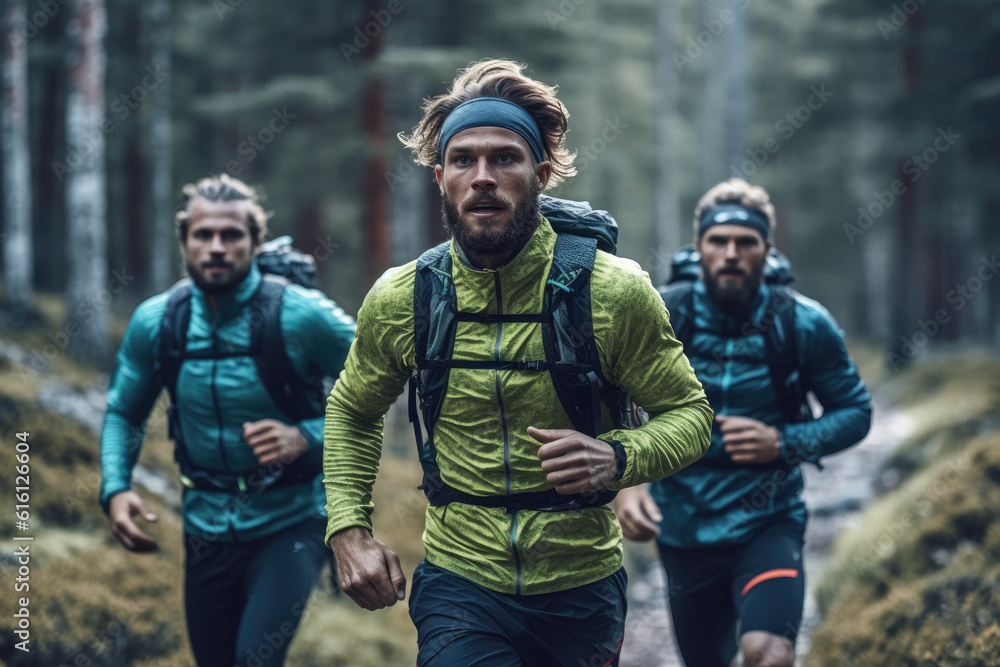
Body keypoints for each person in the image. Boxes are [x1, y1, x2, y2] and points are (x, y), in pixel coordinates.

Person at [321, 59, 714, 666]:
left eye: (505, 158)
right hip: (460, 581)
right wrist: (348, 528)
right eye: (463, 160)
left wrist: (616, 456)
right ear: (440, 177)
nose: (482, 177)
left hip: (582, 585)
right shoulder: (406, 297)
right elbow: (353, 410)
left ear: (541, 173)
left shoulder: (611, 292)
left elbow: (690, 415)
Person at [99, 175, 356, 667]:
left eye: (231, 234)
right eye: (203, 234)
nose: (216, 246)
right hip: (204, 526)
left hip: (292, 519)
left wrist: (305, 437)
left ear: (255, 243)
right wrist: (115, 487)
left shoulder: (302, 316)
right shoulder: (158, 321)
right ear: (184, 242)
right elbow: (124, 411)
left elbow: (377, 394)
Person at [615, 178, 873, 667]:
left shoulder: (803, 323)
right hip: (683, 528)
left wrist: (783, 441)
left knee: (769, 653)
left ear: (767, 250)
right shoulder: (661, 314)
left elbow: (856, 412)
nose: (731, 253)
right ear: (699, 247)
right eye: (718, 241)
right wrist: (629, 485)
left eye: (746, 242)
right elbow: (613, 402)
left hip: (769, 522)